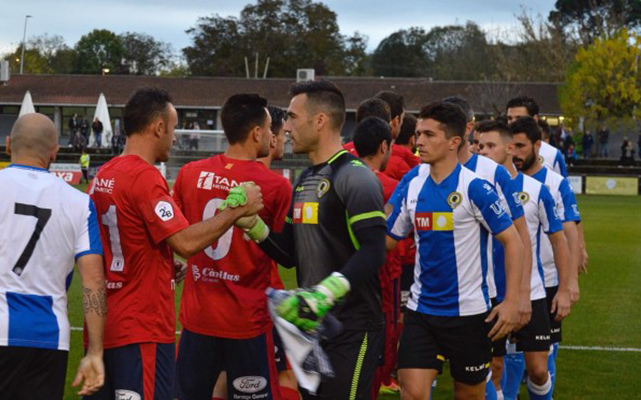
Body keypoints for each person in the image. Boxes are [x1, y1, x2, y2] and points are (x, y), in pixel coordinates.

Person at [87, 87, 264, 400]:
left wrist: (163, 265)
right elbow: (184, 241)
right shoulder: (144, 176)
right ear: (157, 127)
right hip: (141, 325)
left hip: (105, 324)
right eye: (172, 128)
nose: (175, 138)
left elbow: (119, 242)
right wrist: (239, 209)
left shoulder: (103, 174)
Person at [238, 80, 387, 399]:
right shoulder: (305, 179)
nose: (286, 127)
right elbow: (290, 253)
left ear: (319, 121)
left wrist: (325, 292)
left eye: (292, 117)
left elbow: (374, 250)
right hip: (312, 327)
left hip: (353, 326)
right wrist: (253, 225)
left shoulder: (355, 176)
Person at [386, 102, 523, 400]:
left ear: (454, 142)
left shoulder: (476, 188)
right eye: (418, 133)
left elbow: (514, 241)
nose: (419, 141)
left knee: (468, 395)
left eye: (429, 135)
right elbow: (386, 238)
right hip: (421, 312)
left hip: (470, 315)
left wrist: (512, 301)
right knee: (412, 393)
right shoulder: (412, 182)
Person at [171, 94, 293, 400]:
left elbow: (179, 233)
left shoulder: (189, 174)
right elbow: (285, 251)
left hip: (198, 318)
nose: (271, 136)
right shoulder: (276, 186)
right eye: (268, 129)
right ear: (256, 133)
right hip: (247, 322)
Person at [0, 113, 106, 399]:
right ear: (55, 150)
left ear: (9, 145)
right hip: (48, 337)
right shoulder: (79, 202)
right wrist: (95, 352)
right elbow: (94, 280)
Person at [444, 96, 531, 400]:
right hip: (431, 297)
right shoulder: (422, 172)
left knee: (488, 371)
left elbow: (520, 235)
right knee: (417, 376)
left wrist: (520, 294)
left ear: (465, 130)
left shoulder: (494, 173)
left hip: (485, 290)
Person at [477, 120, 572, 400]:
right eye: (480, 146)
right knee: (493, 367)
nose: (483, 152)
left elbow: (558, 239)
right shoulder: (474, 188)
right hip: (491, 293)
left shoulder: (536, 190)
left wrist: (565, 288)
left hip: (531, 292)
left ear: (506, 149)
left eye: (490, 146)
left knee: (538, 370)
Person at [508, 116, 582, 395]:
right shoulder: (499, 181)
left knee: (541, 364)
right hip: (508, 282)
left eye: (521, 146)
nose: (514, 152)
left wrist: (569, 283)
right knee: (509, 359)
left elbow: (568, 233)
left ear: (537, 145)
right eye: (510, 146)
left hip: (546, 281)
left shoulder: (554, 183)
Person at [352, 117, 403, 397]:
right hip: (382, 280)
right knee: (375, 352)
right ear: (384, 146)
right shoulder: (391, 186)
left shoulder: (339, 177)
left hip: (342, 278)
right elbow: (397, 240)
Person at [506, 96, 569, 178]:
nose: (513, 122)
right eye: (510, 118)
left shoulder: (552, 154)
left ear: (535, 119)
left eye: (519, 118)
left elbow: (562, 186)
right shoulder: (500, 151)